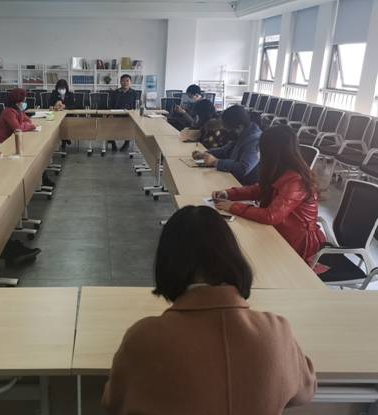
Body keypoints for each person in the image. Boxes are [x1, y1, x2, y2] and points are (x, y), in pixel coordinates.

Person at [102, 206, 317, 415]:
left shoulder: (143, 337)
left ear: (167, 264)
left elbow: (113, 402)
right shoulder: (277, 332)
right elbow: (305, 391)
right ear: (233, 256)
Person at [213, 125, 326, 264]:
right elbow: (259, 189)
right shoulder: (280, 169)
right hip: (279, 231)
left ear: (271, 152)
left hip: (297, 243)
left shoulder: (296, 180)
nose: (259, 154)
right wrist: (229, 193)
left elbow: (271, 216)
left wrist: (233, 206)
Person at [0, 88, 54, 187]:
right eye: (23, 101)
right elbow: (18, 128)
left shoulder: (18, 110)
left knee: (37, 149)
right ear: (18, 101)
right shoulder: (9, 112)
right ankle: (39, 179)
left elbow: (28, 120)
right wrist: (30, 126)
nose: (24, 103)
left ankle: (41, 178)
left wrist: (26, 125)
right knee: (34, 151)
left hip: (16, 139)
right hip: (5, 142)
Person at [192, 105, 261, 185]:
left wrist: (216, 162)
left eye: (228, 129)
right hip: (232, 178)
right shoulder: (243, 133)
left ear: (239, 127)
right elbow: (225, 150)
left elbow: (243, 168)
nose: (226, 132)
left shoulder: (255, 140)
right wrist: (205, 154)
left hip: (243, 184)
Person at [108, 74, 137, 152]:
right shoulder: (115, 92)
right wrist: (110, 114)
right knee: (108, 123)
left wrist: (134, 112)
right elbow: (110, 104)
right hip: (116, 114)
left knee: (130, 125)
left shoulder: (134, 93)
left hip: (129, 115)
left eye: (127, 81)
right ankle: (113, 143)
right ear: (120, 82)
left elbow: (136, 105)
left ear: (130, 82)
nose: (125, 83)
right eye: (123, 81)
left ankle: (127, 143)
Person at [48, 79, 73, 148]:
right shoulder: (54, 93)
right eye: (60, 88)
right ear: (57, 88)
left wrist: (65, 106)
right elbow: (49, 105)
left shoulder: (70, 94)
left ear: (66, 88)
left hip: (68, 116)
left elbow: (74, 105)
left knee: (65, 123)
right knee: (59, 124)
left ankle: (65, 139)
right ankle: (65, 139)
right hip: (56, 115)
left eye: (63, 88)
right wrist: (55, 105)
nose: (61, 90)